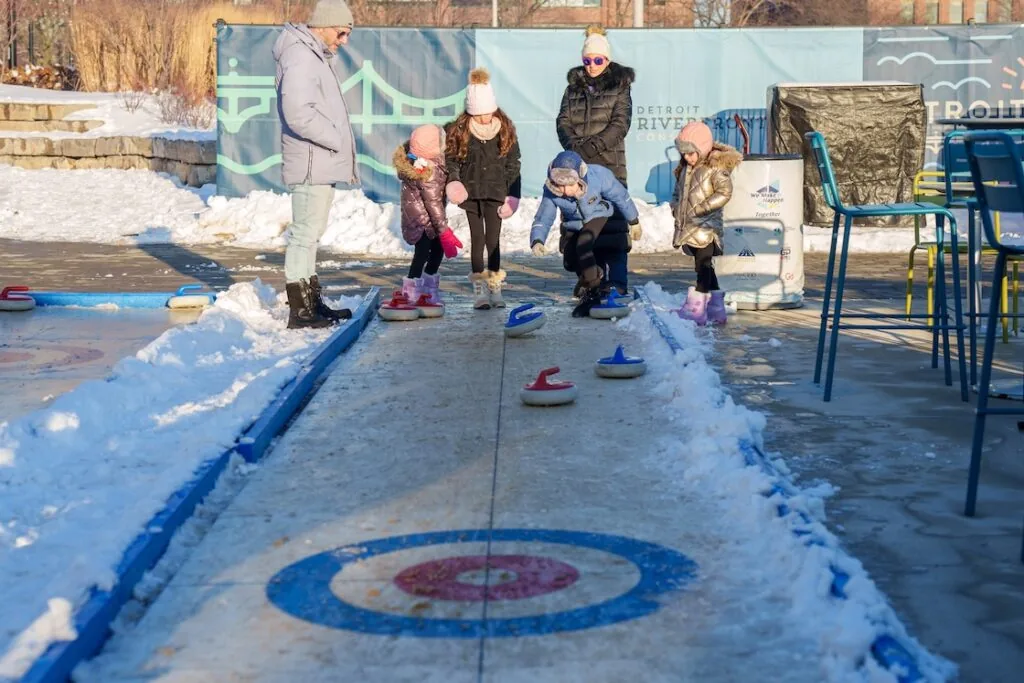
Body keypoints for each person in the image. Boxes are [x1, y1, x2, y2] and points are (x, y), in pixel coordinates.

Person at [273, 0, 357, 329]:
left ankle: (312, 302)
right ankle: (301, 311)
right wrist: (335, 138)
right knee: (304, 235)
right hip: (312, 160)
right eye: (342, 32)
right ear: (324, 24)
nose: (344, 40)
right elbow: (298, 113)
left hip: (318, 160)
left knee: (311, 235)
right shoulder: (300, 55)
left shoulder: (311, 54)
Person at [555, 24, 639, 297]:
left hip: (609, 166)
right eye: (587, 60)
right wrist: (574, 148)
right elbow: (562, 122)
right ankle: (590, 278)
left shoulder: (620, 86)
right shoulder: (573, 88)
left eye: (598, 60)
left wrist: (589, 149)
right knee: (578, 224)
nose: (592, 65)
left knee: (612, 229)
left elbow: (620, 124)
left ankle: (617, 281)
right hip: (577, 169)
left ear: (608, 59)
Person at [445, 68, 522, 310]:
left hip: (496, 194)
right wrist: (455, 182)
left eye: (488, 112)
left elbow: (514, 163)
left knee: (494, 240)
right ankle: (479, 288)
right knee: (477, 239)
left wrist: (512, 194)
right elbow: (451, 161)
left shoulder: (505, 129)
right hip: (472, 194)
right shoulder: (460, 131)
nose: (485, 118)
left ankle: (495, 286)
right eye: (479, 115)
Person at [530, 151, 640, 318]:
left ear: (580, 178)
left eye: (570, 185)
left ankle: (593, 292)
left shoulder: (598, 176)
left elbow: (620, 196)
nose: (566, 191)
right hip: (574, 223)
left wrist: (634, 220)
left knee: (584, 244)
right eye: (560, 185)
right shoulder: (551, 191)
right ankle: (591, 277)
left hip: (598, 215)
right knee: (570, 261)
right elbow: (544, 216)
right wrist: (537, 239)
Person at [671, 121, 743, 325]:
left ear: (701, 148)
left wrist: (703, 207)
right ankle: (716, 308)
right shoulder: (686, 169)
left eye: (691, 153)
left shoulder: (714, 167)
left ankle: (697, 309)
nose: (686, 157)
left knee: (702, 265)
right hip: (690, 225)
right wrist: (675, 206)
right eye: (683, 153)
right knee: (705, 266)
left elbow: (725, 192)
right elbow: (678, 191)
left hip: (707, 227)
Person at [393, 124, 462, 304]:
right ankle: (411, 292)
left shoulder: (425, 163)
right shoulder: (427, 170)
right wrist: (444, 231)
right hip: (422, 221)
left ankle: (428, 288)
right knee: (422, 253)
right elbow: (433, 204)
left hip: (425, 218)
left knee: (436, 251)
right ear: (433, 147)